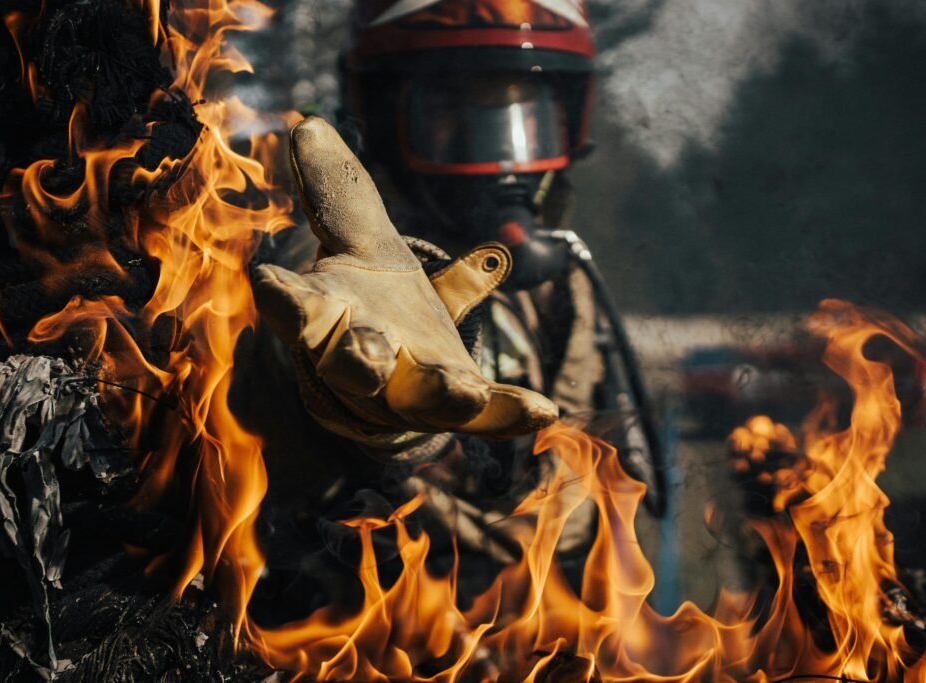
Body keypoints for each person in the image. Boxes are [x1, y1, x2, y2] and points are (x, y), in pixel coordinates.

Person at [233, 0, 665, 612]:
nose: (501, 156)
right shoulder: (328, 265)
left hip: (549, 635)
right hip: (369, 634)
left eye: (525, 114)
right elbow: (332, 336)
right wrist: (396, 419)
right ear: (381, 118)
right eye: (451, 111)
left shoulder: (558, 281)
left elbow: (600, 492)